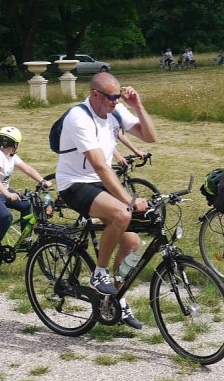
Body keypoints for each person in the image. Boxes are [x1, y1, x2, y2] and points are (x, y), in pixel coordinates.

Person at [56, 72, 156, 329]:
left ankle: (115, 301)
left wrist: (138, 106)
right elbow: (100, 166)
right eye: (111, 97)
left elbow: (149, 136)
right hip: (74, 183)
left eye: (118, 96)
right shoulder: (79, 118)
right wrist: (130, 199)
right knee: (122, 214)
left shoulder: (116, 110)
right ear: (95, 95)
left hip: (99, 182)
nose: (115, 101)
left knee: (133, 244)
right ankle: (99, 274)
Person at [0, 127, 52, 268]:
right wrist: (8, 194)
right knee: (6, 217)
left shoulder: (11, 156)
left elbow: (28, 169)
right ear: (14, 144)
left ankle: (24, 240)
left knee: (27, 205)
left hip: (1, 191)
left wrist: (42, 181)